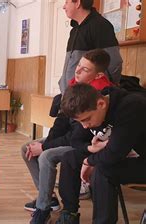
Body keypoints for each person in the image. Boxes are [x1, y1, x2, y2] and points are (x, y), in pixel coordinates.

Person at [27, 48, 115, 224]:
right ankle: (49, 198)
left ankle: (43, 208)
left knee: (46, 155)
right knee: (27, 148)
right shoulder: (73, 86)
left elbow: (80, 133)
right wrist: (46, 141)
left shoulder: (100, 95)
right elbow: (60, 123)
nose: (77, 70)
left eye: (85, 69)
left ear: (97, 76)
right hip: (75, 139)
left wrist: (45, 147)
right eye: (79, 65)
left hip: (83, 142)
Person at [57, 83, 146, 224]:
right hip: (120, 154)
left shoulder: (132, 106)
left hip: (142, 160)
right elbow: (75, 140)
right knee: (70, 158)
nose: (85, 126)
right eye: (80, 122)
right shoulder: (90, 108)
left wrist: (89, 161)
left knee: (103, 169)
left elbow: (114, 154)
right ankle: (69, 214)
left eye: (86, 120)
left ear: (101, 104)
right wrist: (91, 150)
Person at [58, 0, 122, 94]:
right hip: (71, 96)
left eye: (67, 2)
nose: (64, 7)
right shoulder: (74, 30)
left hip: (88, 100)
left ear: (78, 3)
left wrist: (100, 92)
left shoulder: (100, 25)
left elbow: (114, 63)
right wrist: (63, 83)